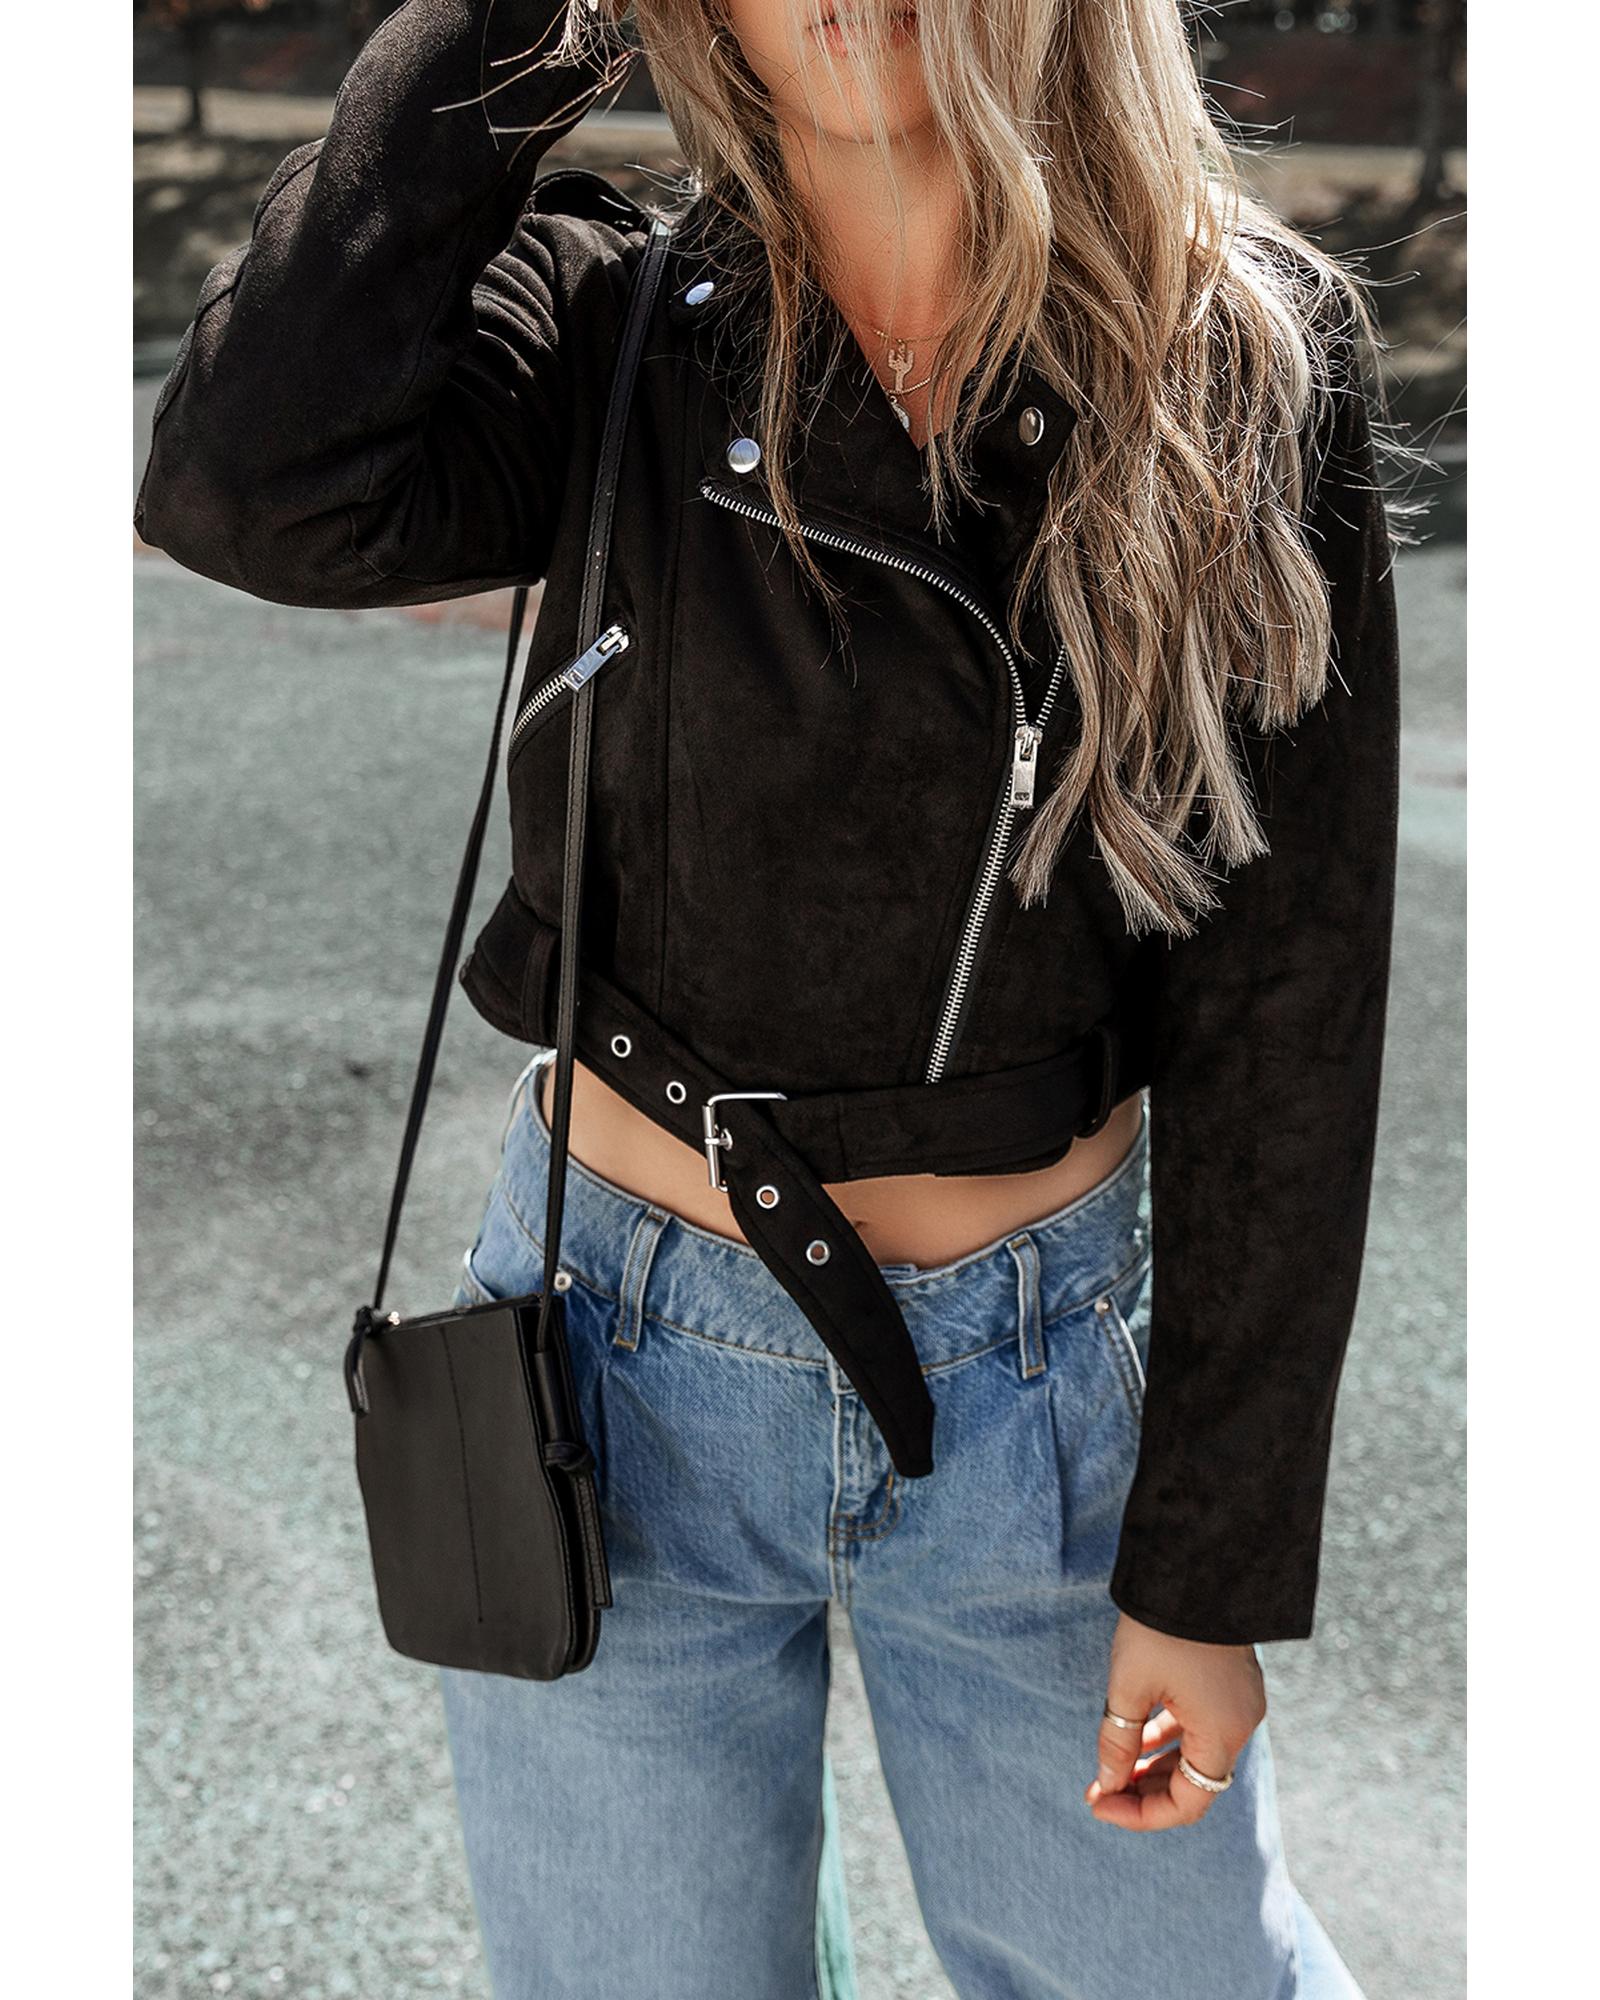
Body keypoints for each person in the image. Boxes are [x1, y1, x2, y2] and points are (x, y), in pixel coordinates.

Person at [134, 3, 1399, 1994]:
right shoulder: (609, 317)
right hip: (604, 1363)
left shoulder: (1236, 356)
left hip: (1037, 1403)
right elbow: (242, 482)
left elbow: (1285, 1011)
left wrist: (1208, 1567)